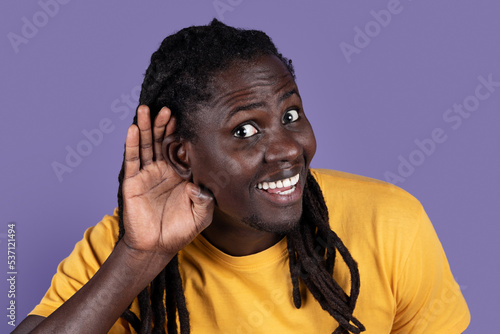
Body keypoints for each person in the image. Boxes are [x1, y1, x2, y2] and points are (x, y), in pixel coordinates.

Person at [13, 19, 470, 334]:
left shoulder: (391, 223)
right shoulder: (123, 244)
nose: (289, 148)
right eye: (245, 130)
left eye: (291, 114)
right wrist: (138, 257)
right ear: (182, 155)